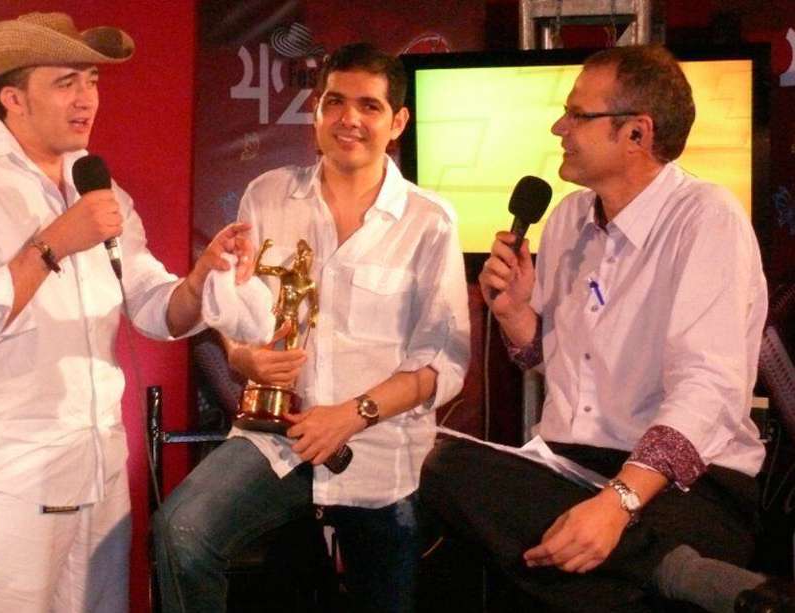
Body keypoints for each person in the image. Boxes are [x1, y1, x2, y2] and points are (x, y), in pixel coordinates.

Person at [420, 44, 794, 613]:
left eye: (576, 114)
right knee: (431, 460)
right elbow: (560, 361)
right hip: (565, 467)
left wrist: (618, 502)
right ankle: (674, 570)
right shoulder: (569, 217)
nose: (558, 126)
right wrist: (517, 315)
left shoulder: (706, 219)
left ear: (637, 134)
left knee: (557, 573)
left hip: (685, 483)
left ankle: (646, 560)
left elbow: (710, 388)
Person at [0, 12, 252, 613]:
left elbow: (152, 307)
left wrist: (199, 281)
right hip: (10, 478)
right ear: (13, 98)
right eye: (66, 82)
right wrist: (51, 246)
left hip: (98, 471)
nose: (87, 98)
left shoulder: (96, 182)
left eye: (92, 80)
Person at [152, 43, 471, 613]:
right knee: (181, 532)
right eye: (335, 102)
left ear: (397, 121)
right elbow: (234, 306)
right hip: (277, 439)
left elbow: (442, 365)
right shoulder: (267, 195)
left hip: (379, 454)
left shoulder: (431, 222)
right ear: (317, 111)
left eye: (369, 107)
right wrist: (241, 355)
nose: (349, 119)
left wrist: (352, 415)